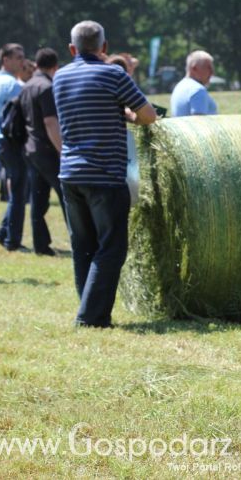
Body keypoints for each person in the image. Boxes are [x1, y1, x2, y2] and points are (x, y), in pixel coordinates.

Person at [54, 20, 157, 328]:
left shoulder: (60, 77)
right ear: (105, 47)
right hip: (105, 175)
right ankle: (91, 317)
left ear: (72, 49)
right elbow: (148, 115)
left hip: (70, 173)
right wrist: (130, 119)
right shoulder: (113, 73)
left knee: (82, 245)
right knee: (111, 247)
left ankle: (88, 308)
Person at [19, 47, 65, 256]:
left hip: (30, 149)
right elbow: (50, 122)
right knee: (67, 196)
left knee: (38, 200)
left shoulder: (27, 85)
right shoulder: (47, 87)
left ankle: (40, 245)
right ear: (55, 67)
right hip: (47, 150)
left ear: (36, 64)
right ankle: (81, 240)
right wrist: (62, 150)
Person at [0, 43, 27, 250]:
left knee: (15, 192)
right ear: (6, 60)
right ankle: (12, 240)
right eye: (18, 57)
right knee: (19, 194)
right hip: (12, 142)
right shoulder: (14, 86)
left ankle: (3, 231)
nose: (22, 61)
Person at [171, 50, 217, 117]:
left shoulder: (179, 86)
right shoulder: (197, 90)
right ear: (194, 68)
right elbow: (199, 124)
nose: (212, 72)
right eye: (208, 67)